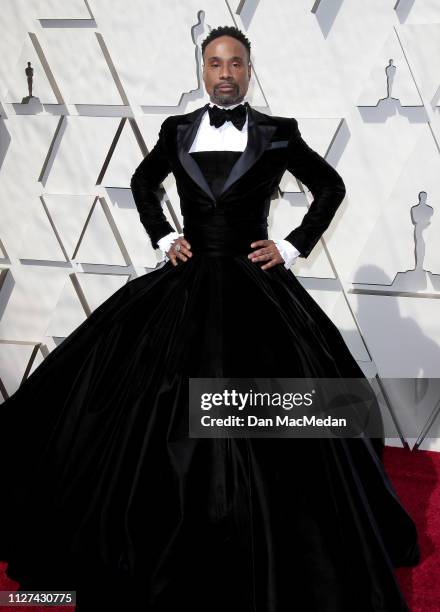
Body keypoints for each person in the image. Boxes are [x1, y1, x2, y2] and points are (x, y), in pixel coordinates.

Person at [0, 25, 419, 612]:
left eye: (236, 64)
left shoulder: (278, 134)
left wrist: (293, 246)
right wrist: (165, 234)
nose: (225, 73)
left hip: (257, 288)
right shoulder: (177, 131)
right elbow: (145, 184)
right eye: (215, 63)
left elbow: (330, 186)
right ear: (203, 71)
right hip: (186, 287)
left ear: (250, 70)